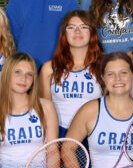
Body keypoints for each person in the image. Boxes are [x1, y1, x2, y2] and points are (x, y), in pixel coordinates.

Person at [39, 10, 103, 138]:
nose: (77, 31)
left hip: (93, 133)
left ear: (92, 33)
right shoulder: (49, 69)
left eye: (83, 27)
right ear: (64, 34)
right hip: (58, 133)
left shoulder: (104, 66)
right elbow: (44, 112)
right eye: (71, 27)